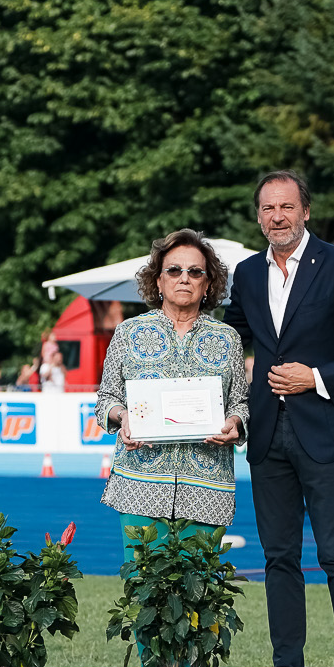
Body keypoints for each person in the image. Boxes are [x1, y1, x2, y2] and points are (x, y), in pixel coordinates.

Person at [224, 170, 334, 667]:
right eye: (268, 208)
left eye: (287, 207)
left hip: (326, 430)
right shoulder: (248, 274)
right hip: (265, 436)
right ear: (258, 217)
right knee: (278, 557)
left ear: (305, 211)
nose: (277, 216)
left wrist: (316, 376)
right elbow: (229, 341)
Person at [94, 228, 249, 546]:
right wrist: (123, 417)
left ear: (208, 284)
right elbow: (106, 397)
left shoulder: (228, 338)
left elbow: (240, 402)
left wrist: (235, 423)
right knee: (141, 576)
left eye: (195, 272)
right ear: (158, 281)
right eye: (174, 270)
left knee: (200, 578)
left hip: (207, 488)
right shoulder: (128, 333)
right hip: (140, 485)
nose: (184, 278)